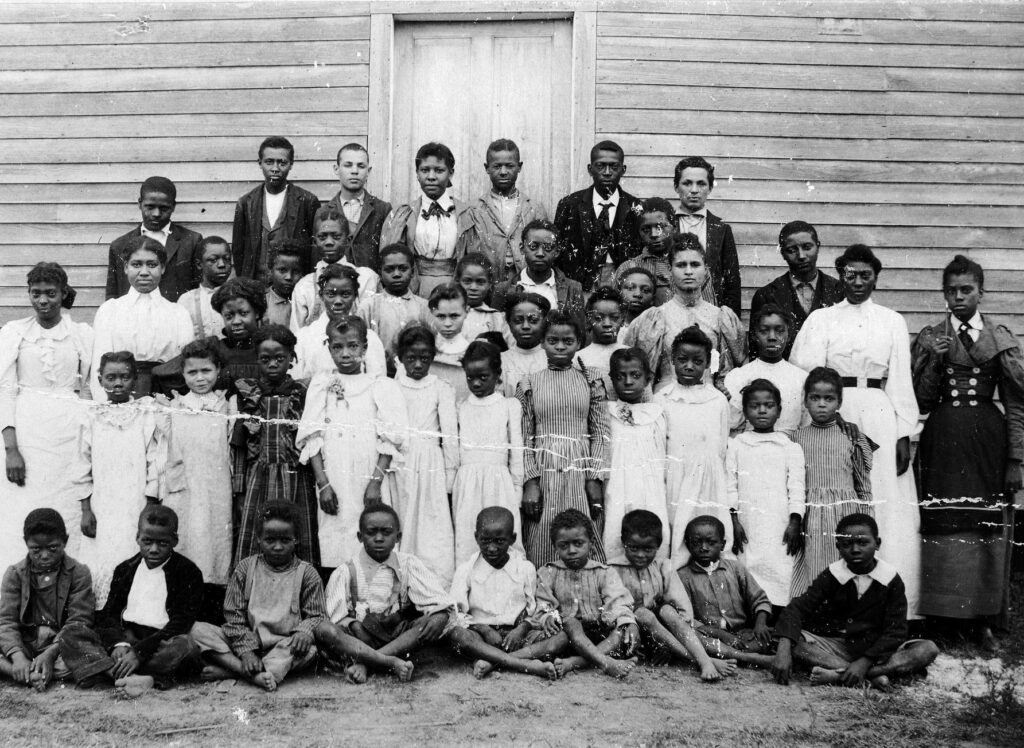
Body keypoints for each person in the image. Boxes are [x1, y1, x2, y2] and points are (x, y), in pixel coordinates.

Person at [790, 244, 921, 616]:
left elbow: (899, 380)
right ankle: (832, 595)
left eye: (866, 275)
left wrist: (901, 434)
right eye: (850, 274)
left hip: (878, 411)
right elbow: (808, 374)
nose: (858, 282)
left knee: (882, 496)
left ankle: (890, 601)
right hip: (837, 410)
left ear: (876, 277)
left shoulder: (891, 320)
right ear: (840, 275)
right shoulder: (822, 319)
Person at [911, 254, 1023, 647]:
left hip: (987, 446)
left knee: (985, 523)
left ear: (981, 292)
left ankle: (982, 618)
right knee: (944, 521)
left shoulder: (1000, 337)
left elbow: (1016, 405)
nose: (958, 298)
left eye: (966, 290)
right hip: (942, 441)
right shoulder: (931, 335)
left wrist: (1015, 460)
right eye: (951, 291)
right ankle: (942, 617)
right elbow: (922, 402)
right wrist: (936, 362)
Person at [772, 513, 939, 689]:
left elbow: (896, 631)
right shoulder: (833, 574)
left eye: (863, 542)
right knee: (794, 642)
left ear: (877, 543)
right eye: (847, 544)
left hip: (878, 650)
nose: (855, 549)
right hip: (839, 646)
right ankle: (871, 677)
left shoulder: (890, 579)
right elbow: (798, 607)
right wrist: (783, 648)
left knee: (928, 648)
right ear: (838, 547)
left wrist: (865, 661)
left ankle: (843, 674)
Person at [0, 262, 93, 570]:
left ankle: (67, 585)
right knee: (24, 502)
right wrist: (11, 449)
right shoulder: (15, 333)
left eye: (51, 294)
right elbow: (6, 390)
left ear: (63, 294)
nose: (43, 301)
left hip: (69, 430)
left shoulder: (81, 334)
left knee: (66, 501)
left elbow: (90, 388)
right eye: (36, 293)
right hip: (28, 431)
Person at [298, 316, 406, 568]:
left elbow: (389, 439)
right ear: (329, 348)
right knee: (335, 537)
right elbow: (312, 437)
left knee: (372, 535)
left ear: (365, 348)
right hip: (333, 474)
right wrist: (323, 485)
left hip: (369, 474)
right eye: (337, 347)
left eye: (353, 346)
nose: (345, 353)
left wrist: (375, 483)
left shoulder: (380, 386)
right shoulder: (322, 384)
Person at [192, 502, 327, 691]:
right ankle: (246, 669)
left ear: (296, 539)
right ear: (258, 539)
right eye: (270, 540)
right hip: (246, 643)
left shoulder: (307, 573)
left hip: (284, 646)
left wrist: (305, 631)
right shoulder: (246, 568)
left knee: (309, 651)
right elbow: (233, 616)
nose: (277, 547)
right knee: (197, 630)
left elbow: (317, 615)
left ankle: (233, 671)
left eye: (285, 540)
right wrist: (246, 652)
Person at [518, 310, 610, 567]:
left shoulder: (590, 380)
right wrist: (531, 483)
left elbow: (601, 433)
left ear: (579, 342)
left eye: (567, 341)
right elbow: (524, 437)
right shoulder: (529, 383)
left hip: (579, 468)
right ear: (542, 342)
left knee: (582, 528)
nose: (560, 346)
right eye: (553, 340)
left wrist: (594, 478)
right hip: (544, 467)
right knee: (542, 530)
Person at [323, 505, 456, 683]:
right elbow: (334, 617)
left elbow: (437, 600)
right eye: (371, 533)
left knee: (433, 620)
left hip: (398, 634)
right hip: (362, 637)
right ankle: (387, 661)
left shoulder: (408, 564)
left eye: (386, 532)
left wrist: (439, 615)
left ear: (398, 537)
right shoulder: (345, 571)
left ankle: (368, 664)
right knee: (331, 631)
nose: (379, 538)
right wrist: (353, 624)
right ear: (360, 537)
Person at [71, 352, 160, 605]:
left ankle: (132, 611)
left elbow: (155, 460)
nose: (117, 383)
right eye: (111, 378)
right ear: (100, 380)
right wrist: (86, 509)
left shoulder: (145, 412)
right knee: (103, 553)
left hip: (136, 503)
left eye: (124, 377)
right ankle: (101, 612)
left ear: (134, 380)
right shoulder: (91, 415)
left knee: (132, 550)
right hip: (103, 503)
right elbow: (82, 464)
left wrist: (151, 504)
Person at [609, 510, 735, 681]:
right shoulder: (612, 569)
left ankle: (705, 660)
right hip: (630, 633)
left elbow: (681, 605)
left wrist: (676, 632)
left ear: (658, 545)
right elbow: (614, 606)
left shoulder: (663, 566)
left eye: (647, 549)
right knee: (642, 613)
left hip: (664, 635)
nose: (640, 555)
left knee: (668, 610)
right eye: (634, 548)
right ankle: (703, 660)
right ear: (624, 543)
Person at [0, 509, 118, 690]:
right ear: (26, 543)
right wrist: (17, 656)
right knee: (7, 643)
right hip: (26, 643)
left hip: (61, 646)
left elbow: (79, 620)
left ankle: (28, 673)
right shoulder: (15, 574)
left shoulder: (79, 573)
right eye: (36, 549)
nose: (45, 555)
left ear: (66, 541)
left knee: (84, 641)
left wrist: (50, 653)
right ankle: (26, 670)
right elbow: (6, 620)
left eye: (53, 548)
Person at [233, 325, 318, 567]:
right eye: (265, 359)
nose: (272, 364)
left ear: (292, 358)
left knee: (297, 534)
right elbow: (239, 443)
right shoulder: (248, 392)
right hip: (258, 479)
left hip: (296, 479)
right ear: (257, 360)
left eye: (280, 358)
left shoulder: (301, 392)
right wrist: (239, 488)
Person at [95, 505, 203, 691]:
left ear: (174, 540)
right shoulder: (125, 569)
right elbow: (111, 612)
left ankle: (115, 671)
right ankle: (144, 675)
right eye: (147, 541)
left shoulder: (187, 572)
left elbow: (181, 621)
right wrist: (117, 644)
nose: (153, 549)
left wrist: (139, 653)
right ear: (137, 537)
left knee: (187, 647)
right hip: (127, 638)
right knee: (81, 632)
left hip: (161, 642)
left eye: (162, 543)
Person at [158, 338, 237, 586]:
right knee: (186, 536)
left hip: (216, 486)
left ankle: (213, 594)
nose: (200, 378)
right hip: (185, 488)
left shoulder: (225, 405)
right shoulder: (175, 407)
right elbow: (165, 452)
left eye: (206, 371)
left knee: (215, 539)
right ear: (183, 373)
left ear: (218, 370)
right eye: (192, 372)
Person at [625, 235, 746, 393]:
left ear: (706, 269)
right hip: (666, 399)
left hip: (707, 401)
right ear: (670, 270)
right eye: (681, 265)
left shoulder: (721, 317)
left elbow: (740, 366)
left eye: (695, 265)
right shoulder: (655, 317)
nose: (688, 271)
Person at [792, 367, 874, 597]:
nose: (821, 404)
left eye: (829, 399)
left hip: (844, 514)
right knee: (814, 566)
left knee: (846, 568)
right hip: (811, 517)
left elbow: (863, 483)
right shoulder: (796, 438)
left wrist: (867, 517)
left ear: (839, 402)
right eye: (815, 398)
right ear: (805, 400)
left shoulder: (850, 436)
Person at [448, 507, 555, 680]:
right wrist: (484, 629)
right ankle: (525, 664)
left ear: (512, 539)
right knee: (458, 636)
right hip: (481, 637)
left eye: (499, 541)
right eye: (485, 540)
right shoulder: (466, 570)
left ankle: (491, 662)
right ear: (476, 537)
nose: (491, 548)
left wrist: (522, 628)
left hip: (517, 635)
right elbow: (456, 613)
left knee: (559, 638)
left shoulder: (525, 568)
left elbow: (534, 608)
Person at [654, 327, 731, 563]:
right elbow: (659, 448)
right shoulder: (663, 399)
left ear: (708, 364)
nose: (689, 366)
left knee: (707, 534)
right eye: (682, 360)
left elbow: (722, 447)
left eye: (697, 361)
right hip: (676, 479)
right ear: (672, 360)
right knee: (677, 536)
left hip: (709, 481)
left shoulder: (717, 400)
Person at [531, 509, 638, 678]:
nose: (572, 550)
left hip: (597, 636)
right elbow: (543, 604)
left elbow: (617, 602)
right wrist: (548, 616)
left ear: (591, 543)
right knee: (572, 624)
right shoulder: (548, 572)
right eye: (564, 545)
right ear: (555, 547)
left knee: (619, 633)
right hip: (565, 634)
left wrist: (626, 621)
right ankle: (605, 663)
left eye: (578, 543)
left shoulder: (603, 572)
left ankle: (572, 663)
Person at [727, 379, 805, 608]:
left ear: (779, 410)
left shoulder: (790, 447)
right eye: (754, 406)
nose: (762, 411)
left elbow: (797, 487)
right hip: (748, 521)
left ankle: (779, 616)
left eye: (768, 405)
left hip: (779, 521)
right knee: (749, 563)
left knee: (780, 565)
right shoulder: (737, 444)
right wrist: (733, 519)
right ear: (745, 410)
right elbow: (730, 483)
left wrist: (795, 521)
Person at [391, 325, 458, 586]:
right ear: (401, 357)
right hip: (401, 461)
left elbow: (450, 436)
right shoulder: (393, 385)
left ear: (433, 357)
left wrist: (450, 475)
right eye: (411, 358)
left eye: (425, 358)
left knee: (432, 524)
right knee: (403, 518)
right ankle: (403, 583)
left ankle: (434, 585)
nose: (418, 364)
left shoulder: (441, 387)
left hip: (431, 463)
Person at [91, 238, 194, 399]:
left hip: (165, 395)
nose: (144, 272)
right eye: (136, 264)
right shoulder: (110, 310)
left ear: (163, 268)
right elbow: (100, 365)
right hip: (120, 395)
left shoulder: (178, 313)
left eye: (152, 265)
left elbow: (186, 365)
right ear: (125, 267)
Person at [452, 342, 525, 566]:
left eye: (483, 377)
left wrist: (517, 490)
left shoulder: (509, 405)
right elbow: (455, 450)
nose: (476, 383)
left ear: (497, 375)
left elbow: (517, 450)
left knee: (503, 539)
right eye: (470, 378)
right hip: (467, 484)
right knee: (468, 539)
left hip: (500, 484)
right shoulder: (460, 407)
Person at [677, 516, 775, 668]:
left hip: (743, 634)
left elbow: (760, 599)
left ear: (722, 545)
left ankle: (742, 656)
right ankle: (747, 658)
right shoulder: (683, 576)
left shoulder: (736, 568)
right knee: (694, 639)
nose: (703, 547)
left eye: (711, 542)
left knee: (777, 638)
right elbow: (687, 618)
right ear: (687, 545)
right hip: (710, 636)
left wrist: (760, 624)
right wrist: (721, 634)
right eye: (696, 542)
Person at [380, 141, 474, 297]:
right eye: (425, 170)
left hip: (455, 287)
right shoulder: (403, 214)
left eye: (439, 170)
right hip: (415, 288)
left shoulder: (465, 214)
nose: (431, 177)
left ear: (450, 173)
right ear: (417, 174)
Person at [602, 349, 668, 561]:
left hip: (650, 487)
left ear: (648, 378)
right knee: (615, 529)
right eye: (621, 377)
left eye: (635, 376)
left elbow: (663, 457)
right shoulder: (606, 412)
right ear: (612, 380)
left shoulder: (657, 414)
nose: (628, 382)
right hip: (617, 485)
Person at [152, 277, 266, 398]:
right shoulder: (213, 347)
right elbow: (161, 372)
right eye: (229, 316)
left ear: (257, 312)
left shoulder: (270, 348)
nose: (236, 321)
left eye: (243, 313)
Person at [554, 141, 643, 291]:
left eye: (614, 166)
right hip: (580, 286)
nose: (607, 172)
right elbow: (557, 251)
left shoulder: (636, 207)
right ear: (590, 169)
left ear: (623, 169)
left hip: (623, 286)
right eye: (600, 166)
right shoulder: (569, 205)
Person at [750, 221, 843, 360]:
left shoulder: (839, 291)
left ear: (818, 246)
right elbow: (757, 351)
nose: (801, 255)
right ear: (782, 253)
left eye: (807, 247)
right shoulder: (766, 295)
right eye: (792, 250)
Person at [232, 136, 320, 282]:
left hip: (293, 283)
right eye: (269, 162)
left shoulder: (307, 201)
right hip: (256, 283)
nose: (275, 168)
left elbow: (314, 250)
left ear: (291, 164)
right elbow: (238, 250)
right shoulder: (246, 203)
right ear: (260, 163)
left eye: (282, 163)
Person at [464, 138, 550, 284]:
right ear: (487, 168)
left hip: (526, 284)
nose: (503, 172)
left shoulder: (534, 208)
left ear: (519, 167)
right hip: (487, 284)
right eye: (497, 166)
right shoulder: (474, 209)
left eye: (509, 166)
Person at [105, 176, 202, 302]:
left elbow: (199, 291)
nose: (156, 214)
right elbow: (113, 294)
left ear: (173, 206)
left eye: (164, 208)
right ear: (140, 204)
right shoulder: (119, 245)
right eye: (150, 207)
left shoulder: (191, 241)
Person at [290, 205, 380, 331]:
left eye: (336, 237)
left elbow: (373, 325)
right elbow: (297, 332)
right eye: (322, 237)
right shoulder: (304, 285)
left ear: (348, 240)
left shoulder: (366, 278)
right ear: (315, 242)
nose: (329, 242)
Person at [723, 304, 808, 438]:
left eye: (779, 331)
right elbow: (732, 427)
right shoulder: (739, 376)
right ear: (755, 335)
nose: (772, 337)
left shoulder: (802, 378)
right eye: (764, 331)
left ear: (789, 335)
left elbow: (806, 425)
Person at [671, 156, 740, 316]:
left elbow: (732, 284)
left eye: (701, 184)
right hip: (672, 310)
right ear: (676, 186)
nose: (694, 190)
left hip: (711, 312)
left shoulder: (721, 230)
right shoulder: (665, 225)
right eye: (687, 183)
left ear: (710, 188)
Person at [292, 264, 386, 381]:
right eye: (331, 294)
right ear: (321, 296)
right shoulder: (303, 338)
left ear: (355, 295)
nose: (338, 301)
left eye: (345, 294)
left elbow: (378, 381)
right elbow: (296, 383)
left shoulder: (370, 338)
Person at [491, 220, 585, 327]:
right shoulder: (503, 289)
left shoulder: (573, 289)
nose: (540, 253)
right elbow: (497, 331)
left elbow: (580, 331)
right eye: (533, 246)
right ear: (522, 249)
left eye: (548, 247)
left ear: (557, 251)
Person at [358, 243, 432, 372]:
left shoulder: (424, 306)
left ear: (412, 272)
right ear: (380, 273)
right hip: (379, 375)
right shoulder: (369, 306)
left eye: (403, 269)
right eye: (389, 269)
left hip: (415, 374)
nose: (396, 274)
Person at [324, 142, 392, 272]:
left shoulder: (383, 209)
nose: (354, 171)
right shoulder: (324, 211)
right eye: (348, 165)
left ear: (369, 171)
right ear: (336, 169)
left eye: (361, 166)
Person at [615, 197, 677, 306]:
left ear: (674, 228)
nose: (654, 234)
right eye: (646, 229)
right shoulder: (627, 268)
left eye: (660, 227)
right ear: (639, 232)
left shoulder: (690, 265)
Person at [177, 236, 233, 339]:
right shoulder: (186, 300)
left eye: (227, 259)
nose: (221, 264)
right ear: (199, 264)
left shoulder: (238, 296)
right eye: (213, 260)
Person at [576, 285, 626, 397]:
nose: (607, 324)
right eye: (598, 318)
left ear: (622, 319)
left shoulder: (630, 354)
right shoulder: (578, 358)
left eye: (614, 318)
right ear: (589, 320)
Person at [499, 292, 551, 398]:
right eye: (518, 321)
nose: (526, 326)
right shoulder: (501, 361)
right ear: (509, 323)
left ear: (545, 322)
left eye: (533, 320)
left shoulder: (553, 359)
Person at [427, 282, 473, 403]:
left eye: (454, 316)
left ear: (467, 311)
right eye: (441, 316)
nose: (447, 324)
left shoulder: (472, 353)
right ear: (432, 313)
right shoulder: (424, 351)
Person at [455, 252, 512, 344]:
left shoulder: (497, 318)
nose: (473, 287)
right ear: (458, 282)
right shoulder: (447, 315)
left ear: (490, 284)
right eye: (467, 281)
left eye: (480, 282)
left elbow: (510, 350)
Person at [264, 241, 304, 327]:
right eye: (282, 270)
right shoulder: (263, 302)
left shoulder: (306, 301)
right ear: (270, 271)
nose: (289, 277)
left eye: (296, 271)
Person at [616, 267, 656, 342]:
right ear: (619, 293)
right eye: (630, 288)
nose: (638, 294)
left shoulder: (656, 330)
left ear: (653, 299)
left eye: (645, 290)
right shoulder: (611, 328)